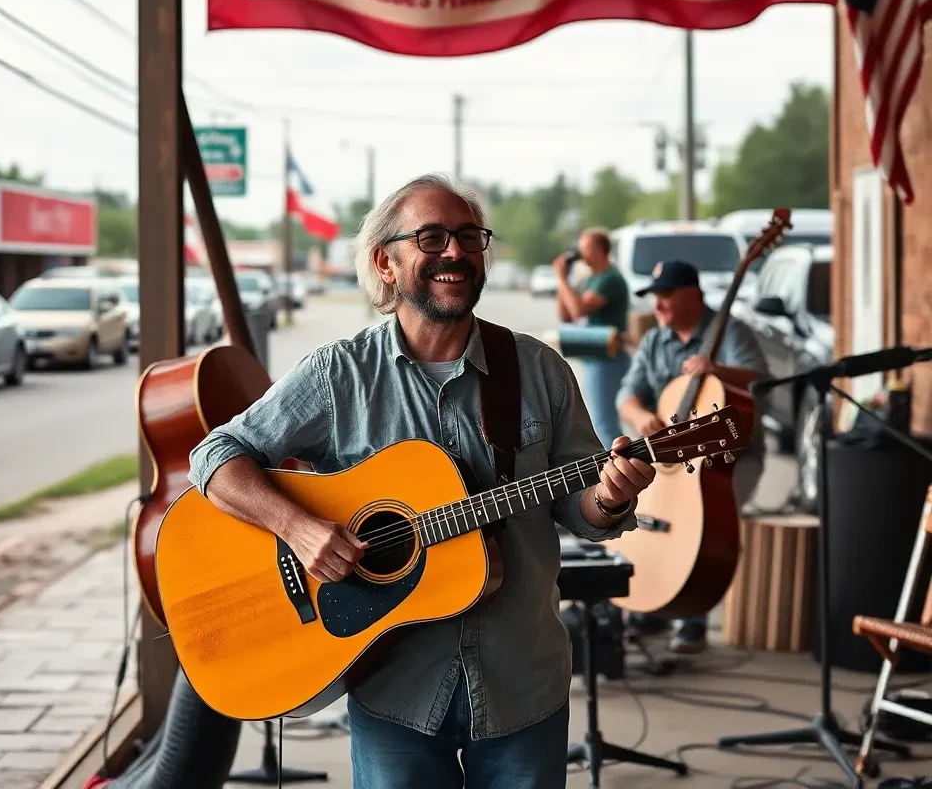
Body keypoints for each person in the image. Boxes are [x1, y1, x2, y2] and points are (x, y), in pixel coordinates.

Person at [188, 173, 656, 789]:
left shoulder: (537, 369)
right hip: (394, 687)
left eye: (468, 236)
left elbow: (581, 506)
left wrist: (611, 495)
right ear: (386, 262)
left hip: (522, 683)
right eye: (431, 238)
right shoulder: (342, 375)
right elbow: (215, 454)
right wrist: (298, 529)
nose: (455, 253)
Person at [616, 259, 769, 655]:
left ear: (694, 295)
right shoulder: (654, 339)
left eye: (667, 296)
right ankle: (652, 603)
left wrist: (717, 369)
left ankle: (690, 616)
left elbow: (763, 381)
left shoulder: (731, 331)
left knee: (696, 523)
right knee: (644, 516)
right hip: (673, 458)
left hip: (731, 457)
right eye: (655, 298)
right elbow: (627, 395)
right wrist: (639, 415)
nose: (659, 306)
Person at [553, 228, 630, 446]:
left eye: (585, 248)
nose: (580, 253)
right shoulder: (592, 280)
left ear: (599, 250)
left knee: (604, 423)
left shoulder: (610, 279)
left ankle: (622, 467)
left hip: (608, 358)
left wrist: (560, 277)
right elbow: (565, 314)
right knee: (600, 420)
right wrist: (564, 279)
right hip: (595, 356)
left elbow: (578, 310)